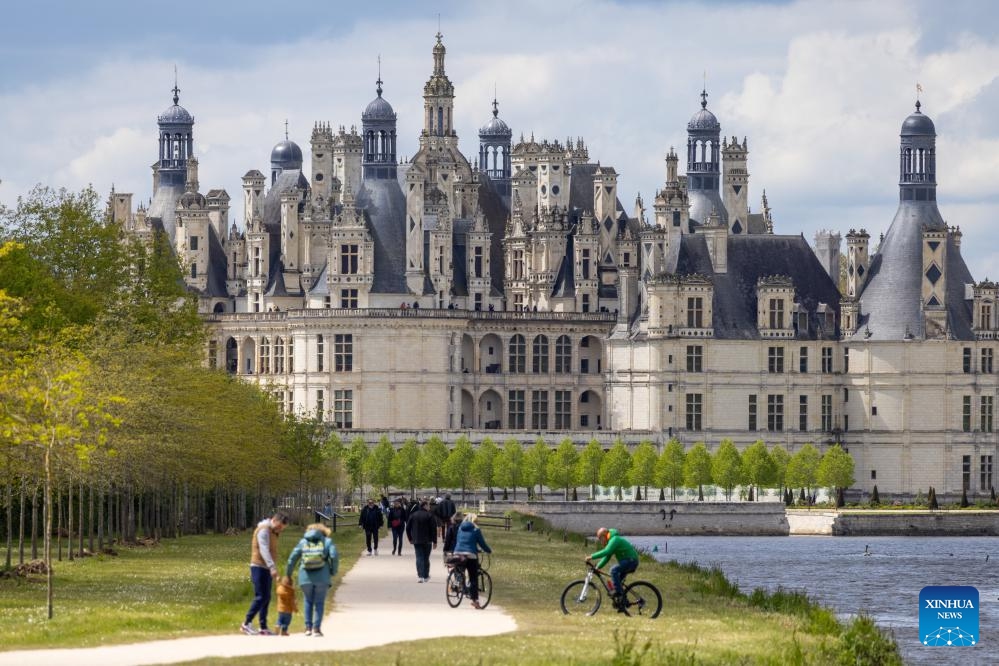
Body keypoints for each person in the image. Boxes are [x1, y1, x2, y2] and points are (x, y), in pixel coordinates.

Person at [286, 522, 339, 637]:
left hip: (305, 576)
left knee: (308, 601)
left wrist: (288, 574)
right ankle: (317, 629)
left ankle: (308, 628)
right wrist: (333, 571)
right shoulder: (327, 541)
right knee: (319, 602)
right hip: (322, 576)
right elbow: (334, 556)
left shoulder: (303, 542)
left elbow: (292, 558)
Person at [241, 511, 289, 635]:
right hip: (258, 566)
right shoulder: (264, 530)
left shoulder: (273, 531)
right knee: (261, 596)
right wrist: (272, 567)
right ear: (274, 520)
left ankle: (263, 627)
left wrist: (271, 567)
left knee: (266, 597)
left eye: (282, 529)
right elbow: (264, 550)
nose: (279, 530)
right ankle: (246, 623)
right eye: (279, 527)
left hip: (266, 567)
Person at [588, 527, 640, 602]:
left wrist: (591, 556)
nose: (600, 541)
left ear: (605, 535)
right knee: (617, 583)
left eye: (600, 538)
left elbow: (606, 551)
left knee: (613, 570)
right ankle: (623, 602)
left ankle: (619, 594)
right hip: (628, 561)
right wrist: (598, 566)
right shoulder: (611, 541)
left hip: (631, 561)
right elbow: (607, 557)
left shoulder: (614, 539)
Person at [452, 513, 492, 609]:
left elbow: (459, 541)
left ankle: (458, 583)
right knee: (473, 577)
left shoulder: (460, 528)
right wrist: (488, 550)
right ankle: (475, 600)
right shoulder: (476, 529)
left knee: (460, 570)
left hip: (458, 552)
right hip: (470, 554)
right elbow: (482, 543)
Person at [406, 499, 437, 582]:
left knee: (419, 557)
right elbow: (433, 529)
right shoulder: (430, 516)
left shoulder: (413, 515)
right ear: (425, 506)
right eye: (428, 505)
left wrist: (410, 538)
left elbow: (408, 528)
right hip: (427, 540)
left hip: (416, 540)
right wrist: (435, 541)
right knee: (426, 558)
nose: (429, 507)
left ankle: (420, 576)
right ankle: (426, 575)